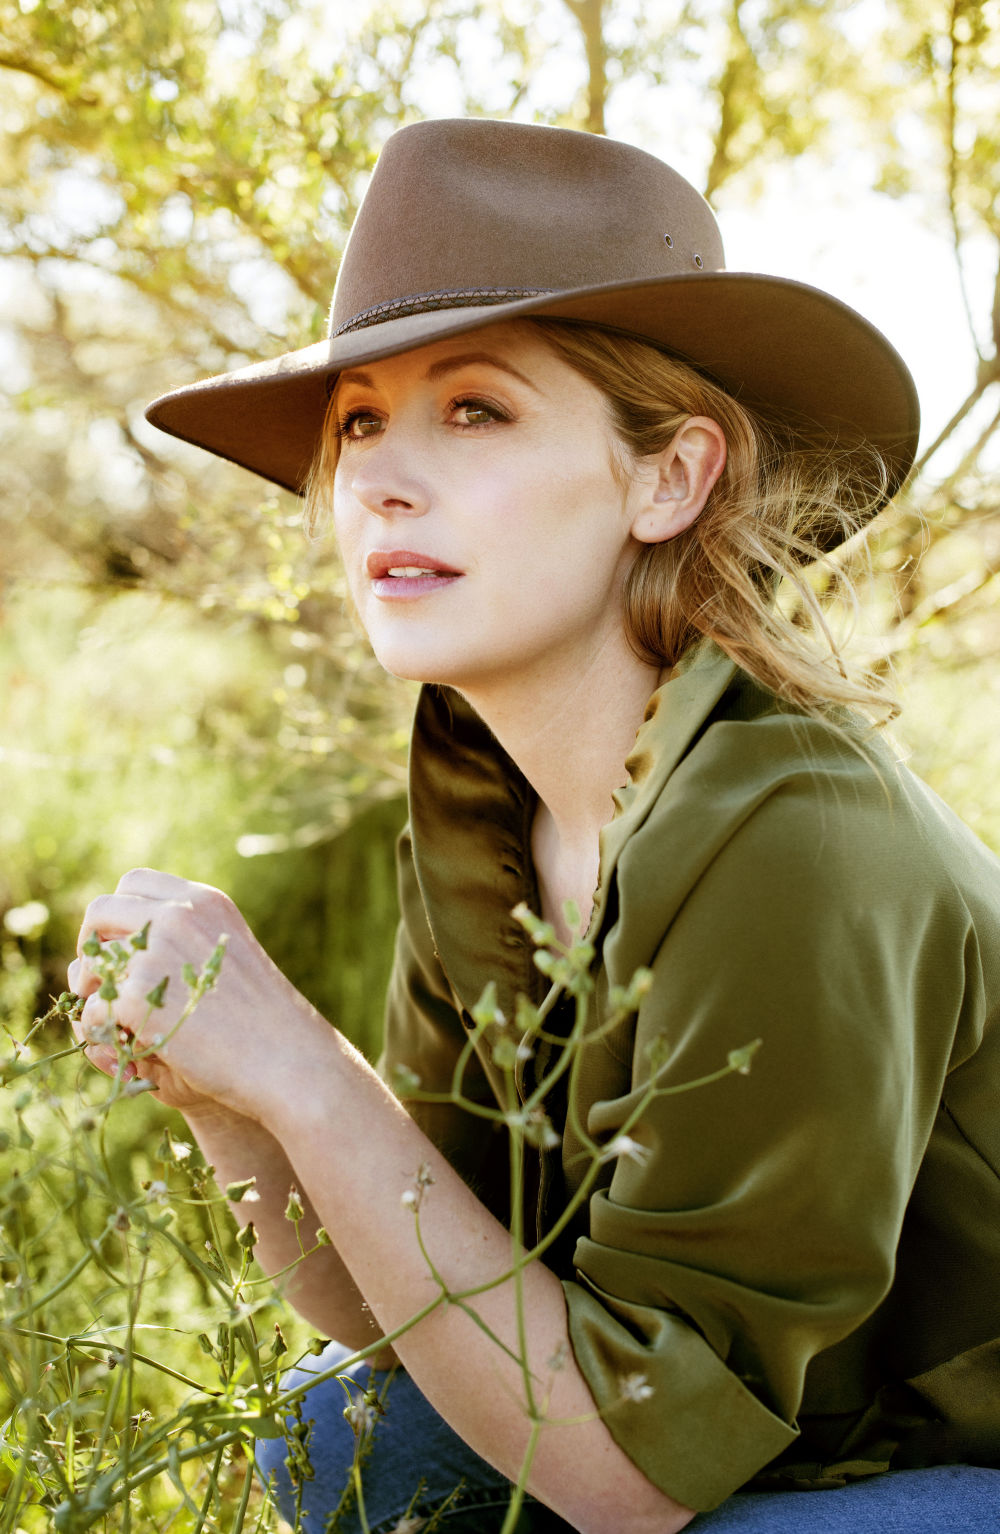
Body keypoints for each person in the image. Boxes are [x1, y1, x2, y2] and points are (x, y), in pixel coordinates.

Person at [69, 119, 1000, 1533]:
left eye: (477, 409)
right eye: (362, 419)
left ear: (669, 477)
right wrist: (235, 1103)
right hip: (781, 1428)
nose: (375, 478)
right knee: (343, 1432)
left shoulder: (796, 837)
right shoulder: (480, 803)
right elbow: (420, 1300)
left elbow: (632, 1475)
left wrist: (310, 1070)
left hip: (952, 1447)